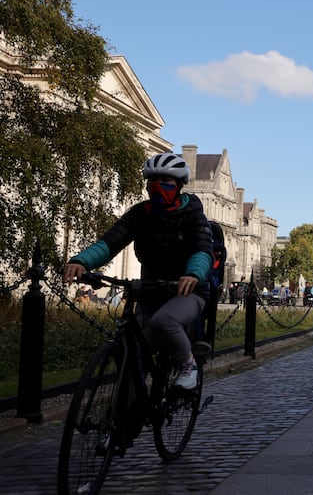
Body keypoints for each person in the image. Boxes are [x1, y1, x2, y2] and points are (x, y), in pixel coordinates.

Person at [63, 153, 213, 390]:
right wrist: (81, 261)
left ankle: (188, 364)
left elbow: (203, 249)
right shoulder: (141, 213)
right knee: (132, 350)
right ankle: (128, 416)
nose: (158, 185)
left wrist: (193, 274)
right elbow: (111, 241)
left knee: (165, 321)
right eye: (153, 180)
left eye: (166, 180)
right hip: (150, 291)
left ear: (179, 186)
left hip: (187, 291)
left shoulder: (192, 214)